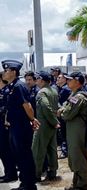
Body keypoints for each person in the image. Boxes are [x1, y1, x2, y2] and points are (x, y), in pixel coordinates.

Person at [2, 60, 40, 190]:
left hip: (21, 127)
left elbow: (27, 105)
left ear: (13, 72)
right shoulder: (13, 86)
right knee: (19, 155)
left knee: (24, 155)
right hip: (14, 126)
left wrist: (33, 119)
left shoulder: (19, 86)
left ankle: (29, 184)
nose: (4, 73)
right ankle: (24, 182)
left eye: (6, 71)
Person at [58, 72, 87, 190]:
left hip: (79, 131)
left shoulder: (79, 97)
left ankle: (82, 185)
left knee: (79, 157)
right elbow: (64, 107)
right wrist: (63, 110)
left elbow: (66, 114)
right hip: (73, 130)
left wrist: (62, 112)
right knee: (74, 157)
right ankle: (76, 183)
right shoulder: (74, 94)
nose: (67, 82)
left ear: (77, 81)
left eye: (70, 80)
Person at [32, 71, 60, 182]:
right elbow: (56, 107)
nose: (36, 81)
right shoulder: (54, 91)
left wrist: (54, 121)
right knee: (52, 150)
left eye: (37, 79)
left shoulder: (41, 92)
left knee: (38, 150)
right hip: (51, 126)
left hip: (43, 124)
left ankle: (36, 174)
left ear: (42, 80)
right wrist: (55, 121)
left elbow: (45, 107)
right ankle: (53, 172)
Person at [0, 71, 18, 183]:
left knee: (6, 150)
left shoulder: (6, 91)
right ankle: (8, 172)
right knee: (2, 151)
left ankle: (11, 174)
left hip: (4, 125)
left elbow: (7, 109)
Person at [56, 72, 71, 159]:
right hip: (62, 113)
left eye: (59, 78)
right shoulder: (62, 88)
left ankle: (65, 151)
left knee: (64, 133)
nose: (58, 79)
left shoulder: (66, 89)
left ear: (65, 79)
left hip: (64, 113)